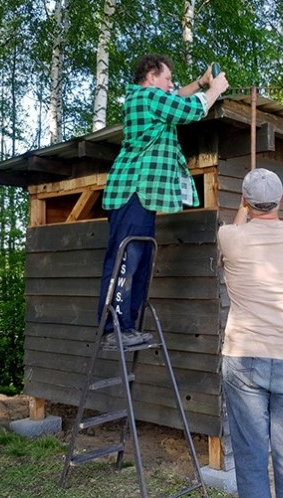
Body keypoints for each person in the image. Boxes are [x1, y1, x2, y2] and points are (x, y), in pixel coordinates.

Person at [99, 54, 229, 348]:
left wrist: (201, 81)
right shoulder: (145, 98)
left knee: (140, 261)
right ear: (151, 77)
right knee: (126, 261)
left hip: (142, 196)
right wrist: (214, 89)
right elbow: (188, 108)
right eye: (168, 78)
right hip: (131, 192)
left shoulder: (153, 99)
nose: (172, 84)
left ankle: (127, 328)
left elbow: (176, 95)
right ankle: (113, 330)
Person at [217, 168, 283, 498]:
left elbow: (235, 229)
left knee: (250, 458)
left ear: (245, 202)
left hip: (242, 357)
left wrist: (243, 207)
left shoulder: (229, 237)